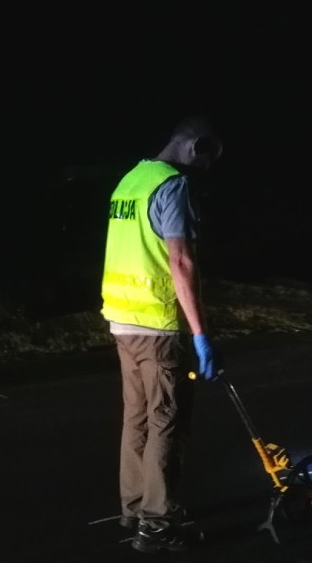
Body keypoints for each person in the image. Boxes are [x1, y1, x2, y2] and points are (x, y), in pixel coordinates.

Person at [100, 115, 222, 554]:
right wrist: (201, 334)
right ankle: (157, 524)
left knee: (136, 418)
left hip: (120, 320)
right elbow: (181, 264)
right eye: (211, 159)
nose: (208, 172)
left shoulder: (130, 181)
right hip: (156, 325)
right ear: (196, 147)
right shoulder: (174, 186)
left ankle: (134, 507)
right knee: (167, 421)